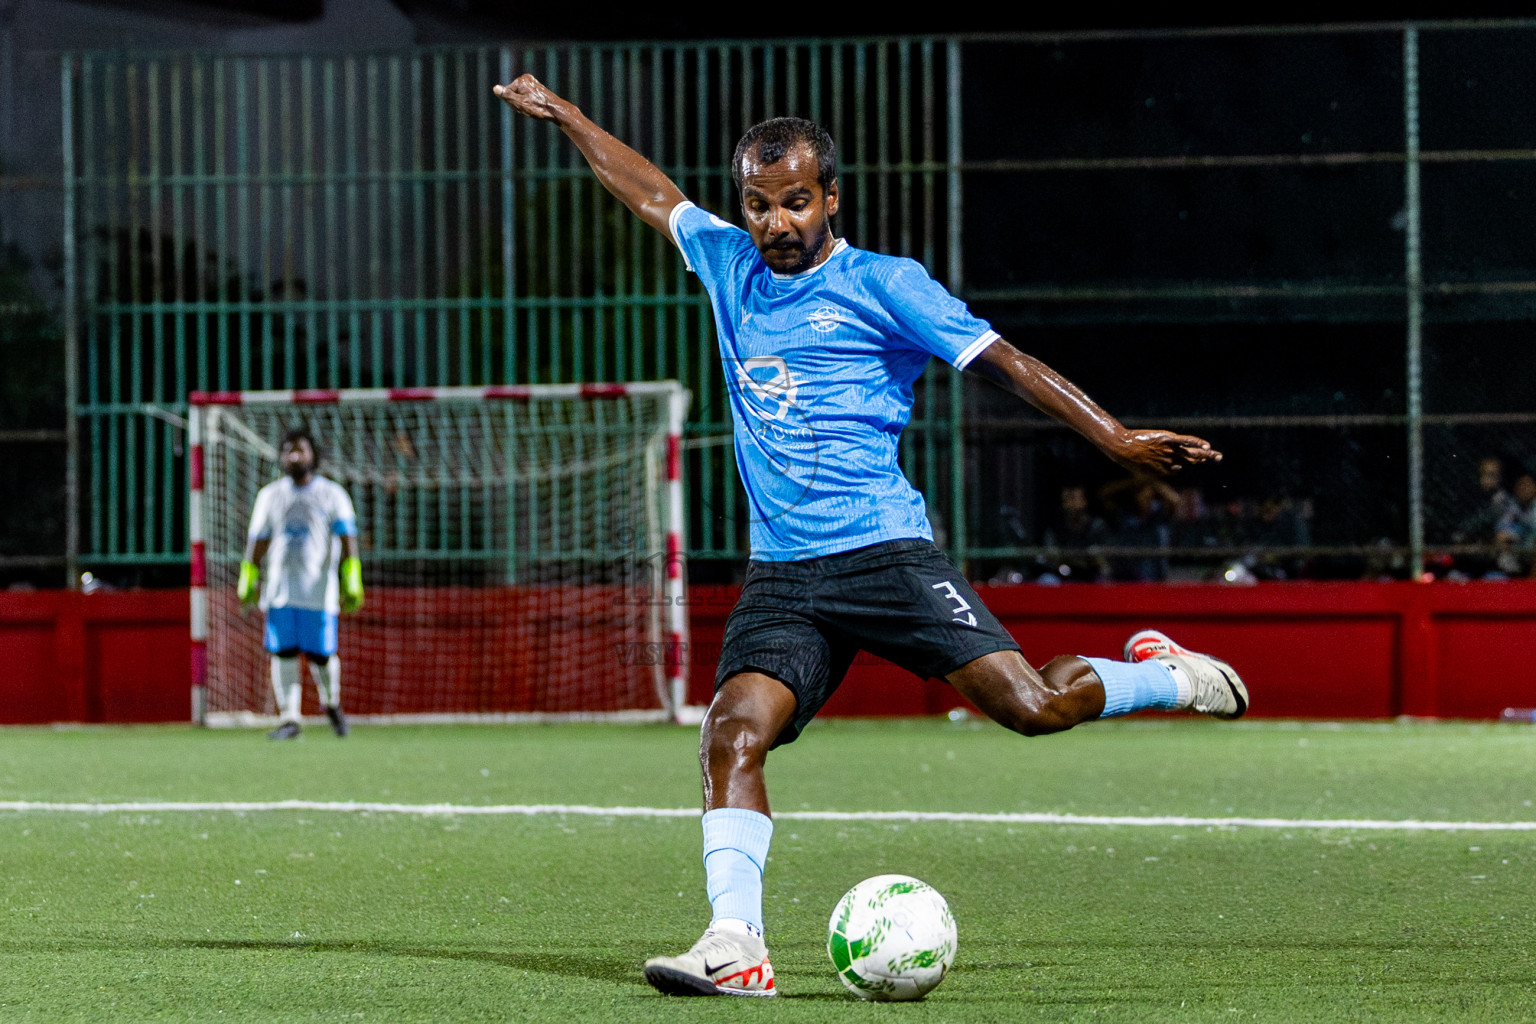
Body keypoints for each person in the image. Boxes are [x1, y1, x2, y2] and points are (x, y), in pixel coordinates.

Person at [494, 74, 1247, 998]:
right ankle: (737, 946)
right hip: (783, 575)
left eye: (796, 202)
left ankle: (1167, 673)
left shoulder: (884, 284)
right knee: (730, 734)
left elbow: (1005, 363)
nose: (776, 223)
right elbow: (651, 191)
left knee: (1031, 708)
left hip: (887, 554)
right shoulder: (727, 264)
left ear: (831, 199)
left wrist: (1118, 439)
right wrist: (569, 117)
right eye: (760, 205)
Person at [238, 427, 363, 740]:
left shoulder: (332, 494)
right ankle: (290, 718)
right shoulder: (270, 496)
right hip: (280, 589)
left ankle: (331, 703)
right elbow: (258, 540)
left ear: (313, 456)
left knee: (320, 654)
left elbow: (348, 537)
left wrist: (352, 576)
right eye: (288, 450)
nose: (294, 456)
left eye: (301, 450)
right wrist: (248, 577)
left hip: (318, 591)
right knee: (284, 651)